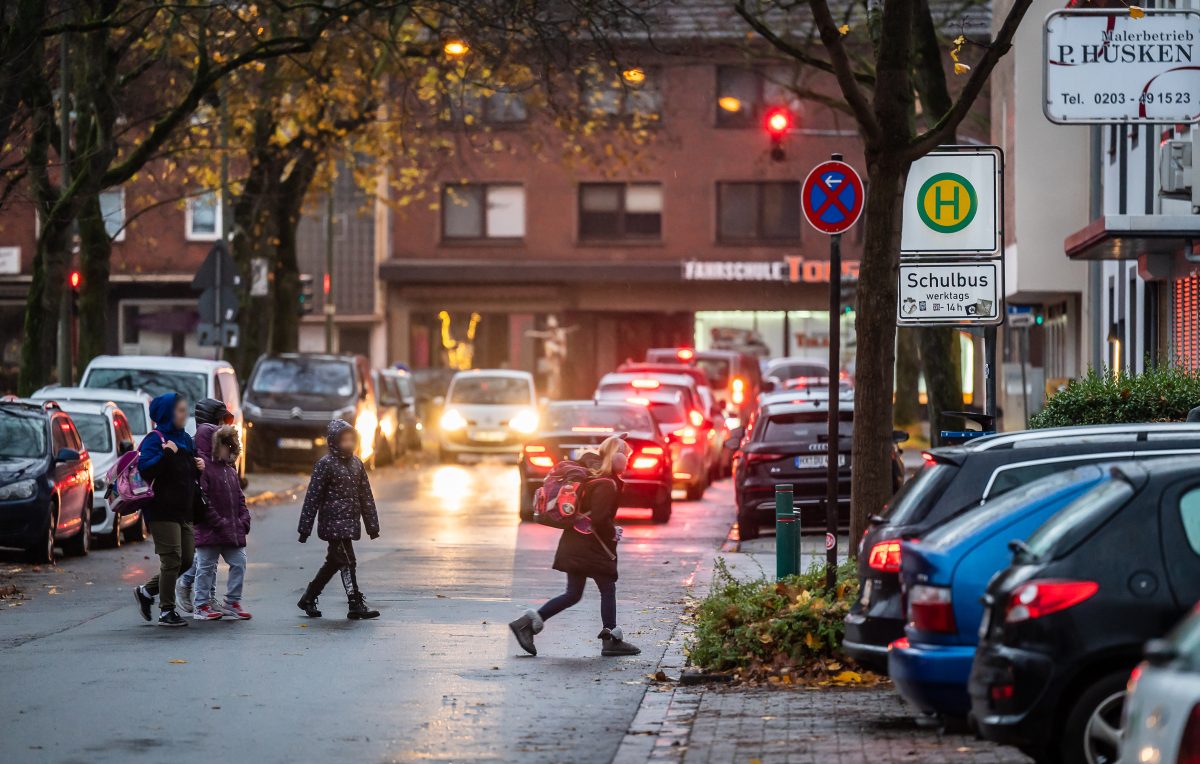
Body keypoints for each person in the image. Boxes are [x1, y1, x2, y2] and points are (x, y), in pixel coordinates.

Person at [509, 435, 641, 657]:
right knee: (607, 587)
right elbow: (599, 519)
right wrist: (613, 532)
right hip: (591, 546)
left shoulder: (594, 477)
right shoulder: (607, 484)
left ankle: (528, 624)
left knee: (573, 593)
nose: (628, 461)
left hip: (575, 542)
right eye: (626, 455)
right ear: (616, 457)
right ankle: (611, 640)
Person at [296, 419, 381, 620]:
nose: (348, 444)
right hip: (333, 524)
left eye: (351, 440)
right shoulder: (325, 465)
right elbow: (313, 497)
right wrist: (304, 528)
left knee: (334, 562)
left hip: (350, 522)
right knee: (348, 561)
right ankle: (355, 602)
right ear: (334, 441)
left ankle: (308, 597)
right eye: (344, 440)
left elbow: (366, 496)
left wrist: (372, 526)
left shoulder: (357, 464)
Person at [132, 393, 204, 627]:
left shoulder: (185, 438)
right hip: (161, 510)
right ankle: (167, 610)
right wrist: (167, 454)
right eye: (181, 411)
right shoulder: (155, 439)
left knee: (186, 559)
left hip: (183, 509)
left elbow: (186, 475)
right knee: (172, 558)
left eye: (186, 410)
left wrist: (198, 467)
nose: (186, 415)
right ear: (168, 414)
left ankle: (146, 591)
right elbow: (146, 470)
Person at [175, 398, 234, 613]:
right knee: (206, 553)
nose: (222, 425)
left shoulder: (222, 443)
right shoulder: (196, 444)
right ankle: (185, 584)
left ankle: (208, 596)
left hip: (221, 505)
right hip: (203, 507)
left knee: (212, 552)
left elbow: (229, 473)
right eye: (219, 420)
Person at [191, 418, 252, 621]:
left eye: (231, 445)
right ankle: (201, 605)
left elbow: (239, 497)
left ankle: (232, 601)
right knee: (206, 567)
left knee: (239, 561)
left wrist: (244, 518)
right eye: (225, 444)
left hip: (232, 528)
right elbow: (203, 501)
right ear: (214, 445)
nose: (229, 448)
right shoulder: (204, 469)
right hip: (211, 529)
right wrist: (219, 522)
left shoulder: (230, 469)